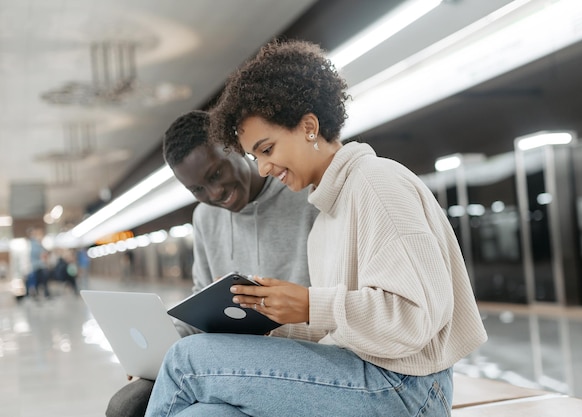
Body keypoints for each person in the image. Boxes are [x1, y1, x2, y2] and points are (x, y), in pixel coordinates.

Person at [145, 39, 488, 417]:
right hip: (364, 373)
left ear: (309, 127)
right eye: (255, 156)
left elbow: (413, 320)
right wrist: (277, 325)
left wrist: (311, 304)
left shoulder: (377, 183)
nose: (262, 168)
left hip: (408, 388)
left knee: (186, 360)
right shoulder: (327, 213)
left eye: (267, 149)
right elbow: (340, 332)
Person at [105, 110, 318, 417]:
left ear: (234, 146)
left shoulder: (301, 193)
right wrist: (156, 353)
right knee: (125, 405)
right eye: (198, 190)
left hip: (296, 353)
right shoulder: (204, 217)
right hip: (230, 356)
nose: (215, 194)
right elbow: (200, 305)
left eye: (216, 174)